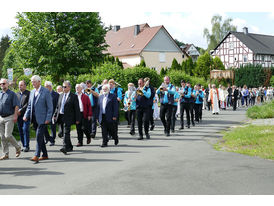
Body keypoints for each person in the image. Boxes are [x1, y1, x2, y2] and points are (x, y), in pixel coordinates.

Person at [23, 75, 53, 163]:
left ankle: (36, 155)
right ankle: (45, 154)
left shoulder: (46, 91)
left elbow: (50, 107)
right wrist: (26, 115)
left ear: (39, 82)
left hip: (43, 119)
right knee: (39, 137)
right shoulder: (32, 92)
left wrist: (48, 118)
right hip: (34, 118)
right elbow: (29, 106)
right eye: (32, 82)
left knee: (39, 136)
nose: (32, 83)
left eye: (34, 82)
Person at [53, 81, 80, 155]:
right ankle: (70, 146)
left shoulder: (73, 96)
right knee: (62, 133)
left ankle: (64, 147)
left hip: (68, 117)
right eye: (63, 86)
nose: (63, 88)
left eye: (65, 87)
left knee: (66, 132)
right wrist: (55, 115)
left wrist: (78, 119)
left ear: (69, 87)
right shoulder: (61, 95)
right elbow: (58, 107)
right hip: (60, 116)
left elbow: (77, 108)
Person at [0, 78, 21, 160]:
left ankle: (18, 147)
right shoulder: (0, 93)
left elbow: (16, 105)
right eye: (1, 84)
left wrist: (15, 116)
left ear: (8, 84)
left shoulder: (12, 94)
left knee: (7, 135)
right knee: (2, 137)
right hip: (1, 117)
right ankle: (5, 154)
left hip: (10, 116)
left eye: (4, 83)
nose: (2, 85)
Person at [16, 80, 30, 152]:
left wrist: (20, 110)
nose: (19, 87)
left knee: (25, 130)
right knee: (20, 130)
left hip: (26, 115)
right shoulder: (17, 94)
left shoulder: (28, 93)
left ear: (25, 86)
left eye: (21, 85)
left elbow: (28, 104)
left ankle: (27, 146)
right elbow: (15, 104)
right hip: (18, 116)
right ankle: (23, 145)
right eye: (19, 85)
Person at [44, 81, 59, 146]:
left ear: (50, 86)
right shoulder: (44, 94)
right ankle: (47, 138)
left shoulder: (56, 95)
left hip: (53, 113)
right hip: (45, 113)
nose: (45, 87)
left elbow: (57, 105)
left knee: (53, 127)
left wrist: (55, 114)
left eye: (46, 86)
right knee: (44, 126)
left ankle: (52, 140)